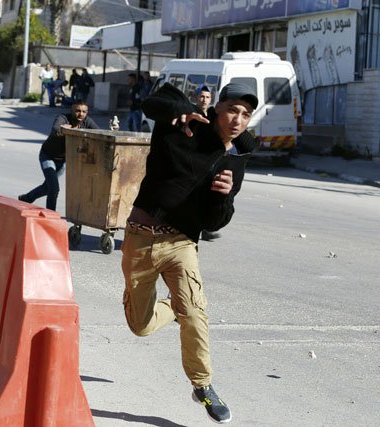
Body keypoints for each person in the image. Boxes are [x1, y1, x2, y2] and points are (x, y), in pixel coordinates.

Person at [120, 82, 259, 424]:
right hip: (140, 237)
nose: (237, 120)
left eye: (246, 114)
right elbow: (151, 101)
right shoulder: (183, 126)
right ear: (217, 108)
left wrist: (224, 197)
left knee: (196, 312)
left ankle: (203, 385)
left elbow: (215, 222)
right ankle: (173, 306)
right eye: (232, 110)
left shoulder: (232, 163)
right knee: (140, 326)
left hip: (182, 244)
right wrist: (176, 108)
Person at [18, 102, 119, 211]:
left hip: (63, 161)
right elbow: (56, 130)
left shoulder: (86, 121)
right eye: (77, 111)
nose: (81, 114)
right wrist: (65, 129)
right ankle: (51, 213)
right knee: (54, 188)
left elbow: (100, 135)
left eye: (84, 112)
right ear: (71, 111)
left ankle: (27, 198)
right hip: (48, 156)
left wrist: (112, 131)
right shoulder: (63, 118)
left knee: (48, 186)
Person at [192, 85, 221, 242]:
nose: (204, 99)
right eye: (201, 96)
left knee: (209, 194)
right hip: (193, 160)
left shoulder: (212, 115)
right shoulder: (191, 113)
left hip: (208, 160)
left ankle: (207, 228)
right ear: (196, 98)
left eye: (207, 97)